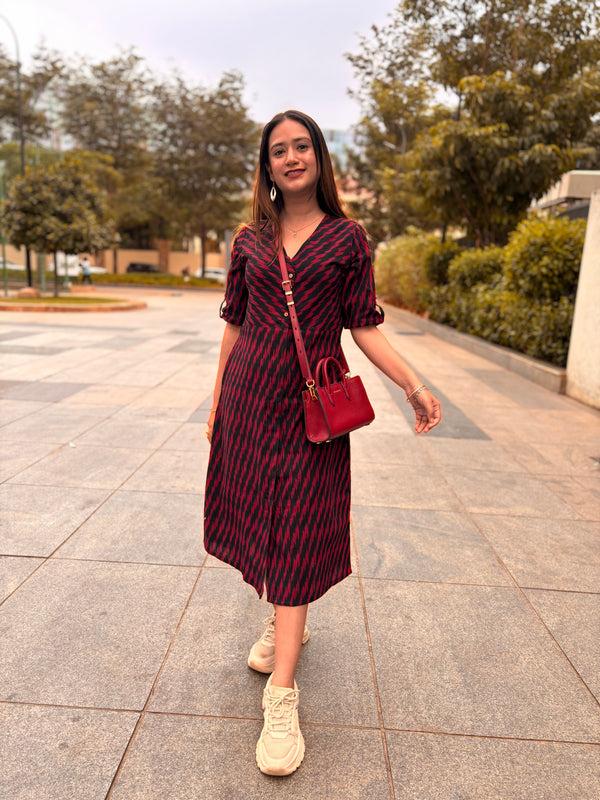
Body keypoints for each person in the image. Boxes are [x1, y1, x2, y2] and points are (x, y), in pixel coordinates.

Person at [204, 110, 441, 777]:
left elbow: (364, 326)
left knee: (301, 529)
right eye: (278, 150)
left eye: (301, 145)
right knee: (263, 521)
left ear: (318, 156)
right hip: (251, 400)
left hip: (312, 409)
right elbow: (234, 325)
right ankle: (287, 624)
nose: (291, 157)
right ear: (266, 165)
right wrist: (218, 403)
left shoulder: (347, 238)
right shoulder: (249, 239)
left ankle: (282, 693)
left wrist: (412, 385)